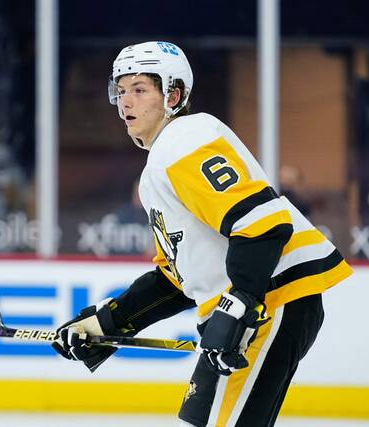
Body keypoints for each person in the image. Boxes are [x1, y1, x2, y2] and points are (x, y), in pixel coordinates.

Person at [51, 41, 353, 427]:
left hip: (272, 300)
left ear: (173, 95)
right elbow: (177, 280)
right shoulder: (157, 170)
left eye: (140, 89)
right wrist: (104, 323)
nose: (126, 101)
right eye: (121, 90)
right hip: (258, 306)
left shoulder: (186, 138)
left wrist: (241, 303)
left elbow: (262, 222)